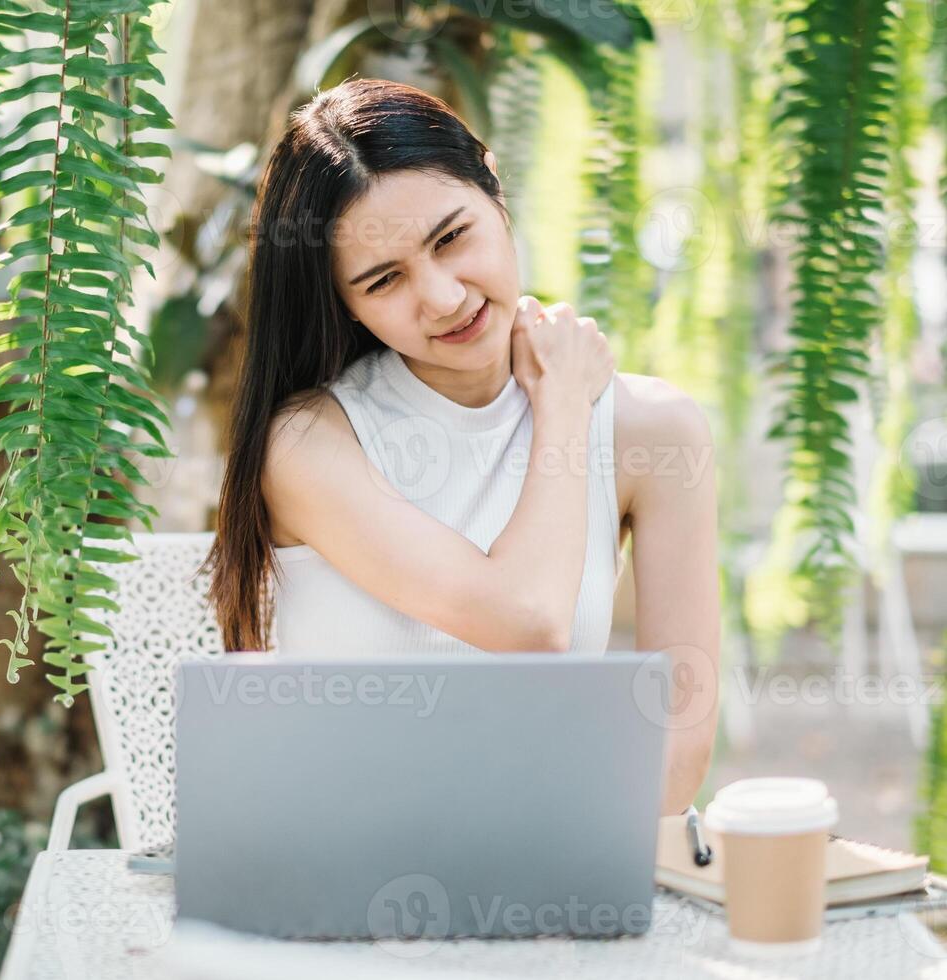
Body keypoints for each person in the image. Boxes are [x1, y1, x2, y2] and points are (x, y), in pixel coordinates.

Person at [202, 78, 719, 815]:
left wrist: (576, 883)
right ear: (341, 302)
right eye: (385, 280)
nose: (443, 297)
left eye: (451, 238)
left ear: (494, 188)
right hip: (341, 868)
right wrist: (563, 405)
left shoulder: (653, 432)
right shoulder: (309, 442)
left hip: (557, 869)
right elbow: (528, 621)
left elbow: (679, 738)